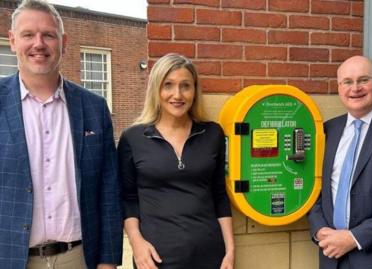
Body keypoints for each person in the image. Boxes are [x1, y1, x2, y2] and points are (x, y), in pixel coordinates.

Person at [0, 0, 123, 268]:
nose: (39, 44)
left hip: (78, 258)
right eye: (28, 35)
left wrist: (109, 260)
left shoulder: (94, 107)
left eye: (48, 35)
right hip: (10, 258)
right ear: (12, 40)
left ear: (63, 42)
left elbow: (108, 189)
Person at [118, 53, 235, 269]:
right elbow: (128, 199)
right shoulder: (133, 138)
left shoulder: (213, 134)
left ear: (194, 91)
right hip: (155, 259)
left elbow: (220, 195)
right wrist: (137, 243)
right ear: (156, 89)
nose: (177, 94)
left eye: (185, 86)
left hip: (210, 256)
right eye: (168, 85)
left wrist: (230, 252)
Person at [308, 56, 372, 269]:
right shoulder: (328, 130)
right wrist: (319, 230)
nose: (355, 88)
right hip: (330, 254)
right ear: (339, 87)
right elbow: (316, 187)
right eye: (347, 81)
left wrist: (353, 238)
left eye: (363, 80)